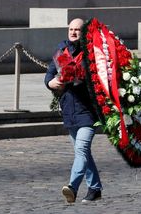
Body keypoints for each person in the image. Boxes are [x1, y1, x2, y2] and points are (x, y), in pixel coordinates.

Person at [44, 18, 102, 203]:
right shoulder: (62, 50)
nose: (73, 32)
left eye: (78, 29)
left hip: (88, 111)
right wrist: (51, 82)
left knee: (82, 148)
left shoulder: (92, 52)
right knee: (83, 153)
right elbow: (49, 73)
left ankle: (72, 187)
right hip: (69, 109)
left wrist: (76, 77)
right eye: (71, 29)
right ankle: (95, 188)